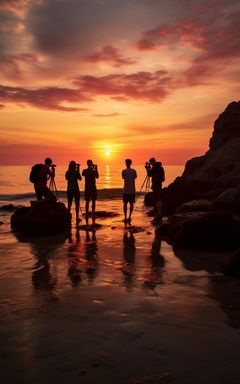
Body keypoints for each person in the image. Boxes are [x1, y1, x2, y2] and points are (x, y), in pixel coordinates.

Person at [145, 157, 165, 223]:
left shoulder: (155, 168)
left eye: (150, 163)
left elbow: (149, 174)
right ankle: (159, 212)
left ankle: (159, 213)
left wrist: (147, 169)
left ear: (152, 162)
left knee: (156, 199)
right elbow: (163, 178)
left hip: (156, 185)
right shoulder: (160, 168)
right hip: (159, 185)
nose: (150, 164)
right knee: (158, 198)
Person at [82, 160, 99, 225]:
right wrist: (96, 168)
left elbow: (82, 174)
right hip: (93, 188)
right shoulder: (93, 171)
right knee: (93, 201)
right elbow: (97, 176)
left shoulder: (85, 171)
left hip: (87, 188)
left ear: (87, 164)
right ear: (91, 164)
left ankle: (86, 213)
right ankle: (93, 213)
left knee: (87, 201)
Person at [122, 159, 137, 224]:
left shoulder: (123, 171)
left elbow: (123, 177)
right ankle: (129, 216)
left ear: (126, 163)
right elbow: (135, 177)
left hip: (125, 190)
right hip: (132, 190)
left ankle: (125, 217)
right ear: (130, 163)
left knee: (125, 204)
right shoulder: (134, 171)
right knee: (131, 204)